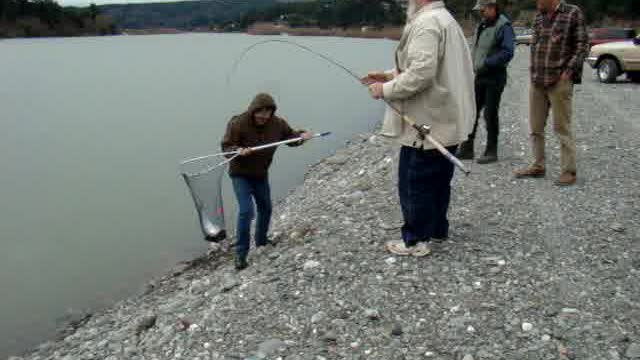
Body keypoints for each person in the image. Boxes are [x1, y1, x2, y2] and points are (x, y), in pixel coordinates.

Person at [362, 0, 475, 257]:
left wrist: (384, 89)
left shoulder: (427, 23)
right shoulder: (444, 18)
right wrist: (388, 75)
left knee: (415, 182)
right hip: (445, 119)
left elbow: (422, 74)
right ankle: (436, 229)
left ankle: (415, 240)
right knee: (438, 180)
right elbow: (424, 67)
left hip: (428, 123)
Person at [222, 93, 311, 270]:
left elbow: (290, 138)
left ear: (271, 113)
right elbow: (226, 147)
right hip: (241, 175)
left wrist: (302, 136)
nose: (263, 116)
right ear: (253, 110)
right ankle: (240, 254)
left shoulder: (277, 124)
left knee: (266, 208)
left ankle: (262, 241)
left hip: (261, 174)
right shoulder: (238, 123)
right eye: (260, 112)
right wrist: (237, 150)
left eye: (267, 113)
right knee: (246, 212)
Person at [513, 0, 588, 186]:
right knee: (535, 128)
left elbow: (582, 45)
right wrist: (532, 72)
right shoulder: (539, 16)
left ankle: (569, 171)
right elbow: (535, 45)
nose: (536, 2)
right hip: (538, 81)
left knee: (562, 128)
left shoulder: (572, 13)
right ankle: (538, 165)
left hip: (559, 82)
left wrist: (568, 72)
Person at [456, 0, 515, 164]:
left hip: (495, 76)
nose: (480, 13)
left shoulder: (504, 26)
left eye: (482, 10)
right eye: (480, 10)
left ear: (492, 8)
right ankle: (467, 149)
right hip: (479, 76)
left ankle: (491, 151)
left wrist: (488, 63)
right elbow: (477, 49)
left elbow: (508, 51)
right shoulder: (481, 26)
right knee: (472, 111)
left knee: (490, 113)